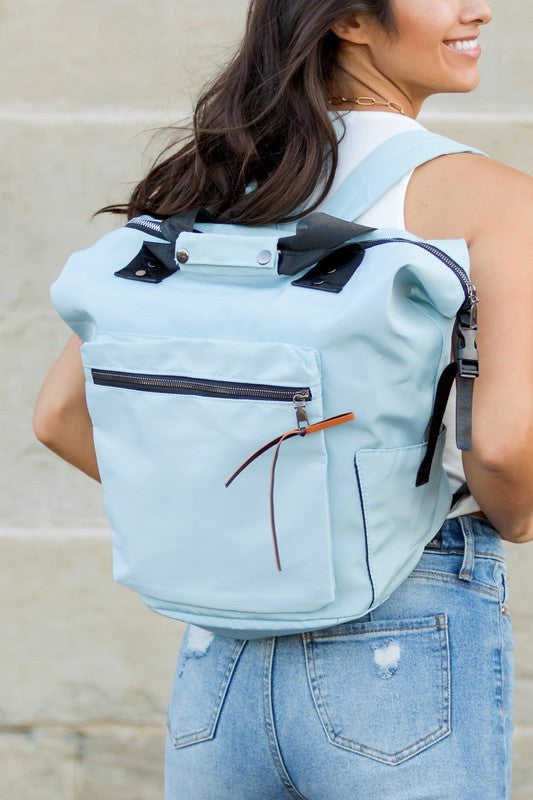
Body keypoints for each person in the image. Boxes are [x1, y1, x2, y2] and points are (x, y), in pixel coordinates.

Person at [33, 0, 533, 797]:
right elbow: (503, 450)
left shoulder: (209, 182)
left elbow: (58, 416)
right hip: (406, 617)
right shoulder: (494, 200)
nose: (481, 9)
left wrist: (239, 513)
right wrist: (513, 517)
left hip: (219, 653)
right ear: (348, 20)